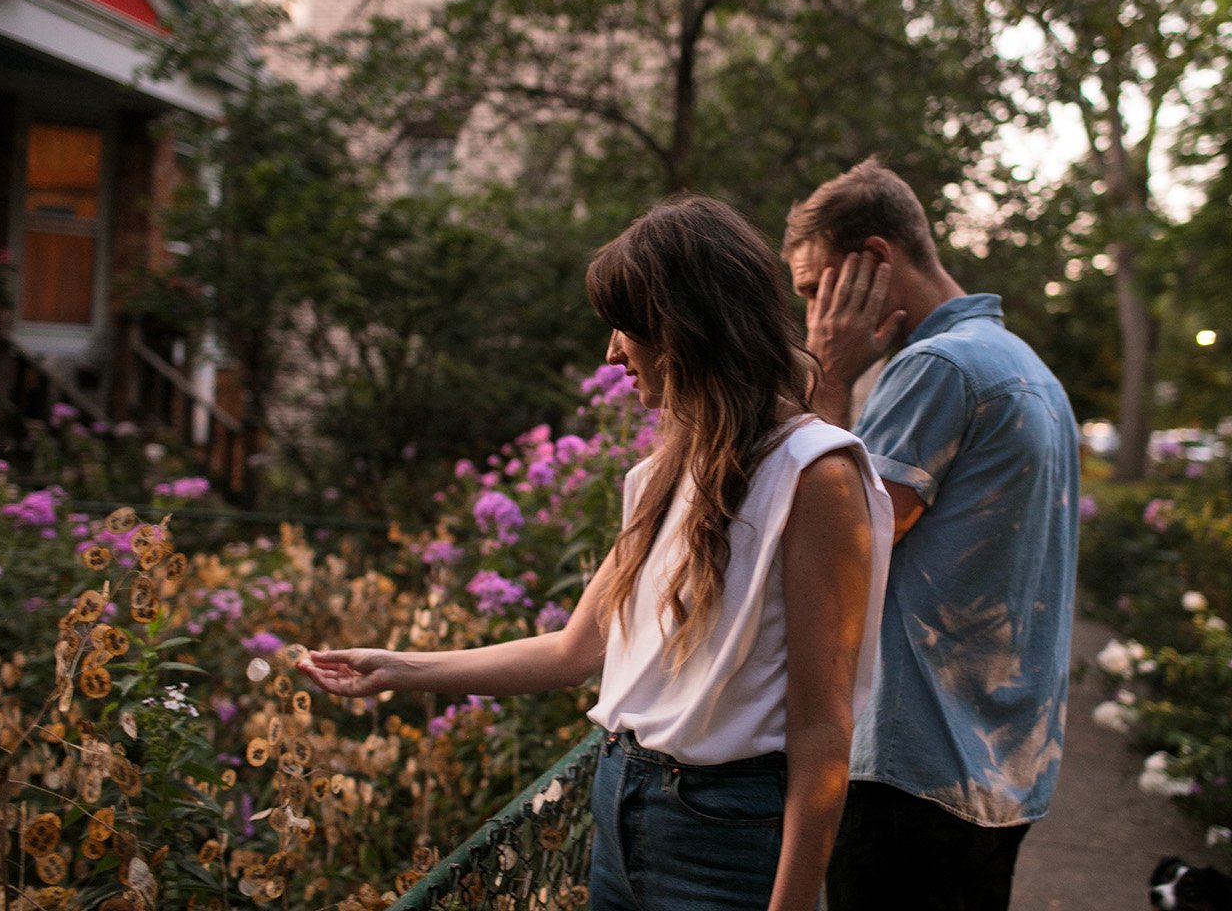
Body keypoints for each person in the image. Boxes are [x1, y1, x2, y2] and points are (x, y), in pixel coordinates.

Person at [299, 194, 893, 911]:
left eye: (625, 327)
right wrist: (397, 668)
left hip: (725, 836)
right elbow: (575, 650)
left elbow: (825, 730)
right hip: (618, 802)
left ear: (686, 331)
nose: (611, 353)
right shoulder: (666, 471)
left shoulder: (816, 475)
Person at [780, 158, 1080, 911]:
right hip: (1001, 767)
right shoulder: (1026, 366)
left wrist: (831, 379)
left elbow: (837, 545)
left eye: (817, 289)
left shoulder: (937, 368)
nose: (813, 315)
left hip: (915, 772)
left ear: (875, 260)